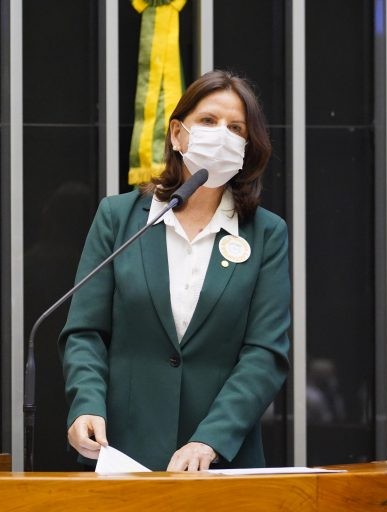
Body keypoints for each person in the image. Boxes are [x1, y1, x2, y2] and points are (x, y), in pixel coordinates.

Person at [59, 70, 291, 472]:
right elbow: (85, 331)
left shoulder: (267, 233)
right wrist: (85, 406)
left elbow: (265, 354)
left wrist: (211, 438)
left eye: (236, 127)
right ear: (177, 134)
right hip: (120, 455)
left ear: (248, 146)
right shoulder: (118, 218)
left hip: (220, 463)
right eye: (208, 121)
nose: (222, 134)